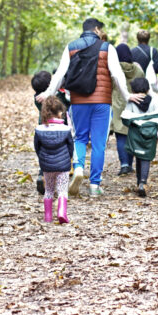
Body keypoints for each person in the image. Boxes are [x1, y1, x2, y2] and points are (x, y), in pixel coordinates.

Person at [37, 18, 142, 198]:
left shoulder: (71, 46)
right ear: (96, 29)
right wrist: (127, 96)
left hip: (78, 101)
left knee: (79, 138)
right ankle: (94, 185)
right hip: (102, 101)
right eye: (100, 29)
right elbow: (117, 75)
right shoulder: (107, 47)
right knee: (99, 144)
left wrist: (48, 92)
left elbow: (60, 74)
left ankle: (78, 169)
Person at [121, 77, 158, 197]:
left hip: (136, 134)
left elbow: (126, 117)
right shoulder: (154, 100)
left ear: (133, 89)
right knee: (146, 157)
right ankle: (143, 182)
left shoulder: (132, 101)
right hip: (150, 133)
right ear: (147, 89)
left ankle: (139, 182)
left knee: (138, 155)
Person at [33, 97, 74, 224]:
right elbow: (70, 147)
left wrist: (42, 159)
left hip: (46, 166)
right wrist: (69, 159)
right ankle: (62, 213)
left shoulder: (39, 129)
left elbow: (37, 147)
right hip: (63, 165)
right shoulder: (66, 130)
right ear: (60, 113)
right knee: (62, 189)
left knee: (49, 189)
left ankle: (48, 216)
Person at [110, 44, 144, 177]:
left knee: (121, 135)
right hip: (135, 105)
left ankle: (125, 164)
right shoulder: (137, 70)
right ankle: (132, 163)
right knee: (132, 134)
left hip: (118, 105)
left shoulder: (114, 70)